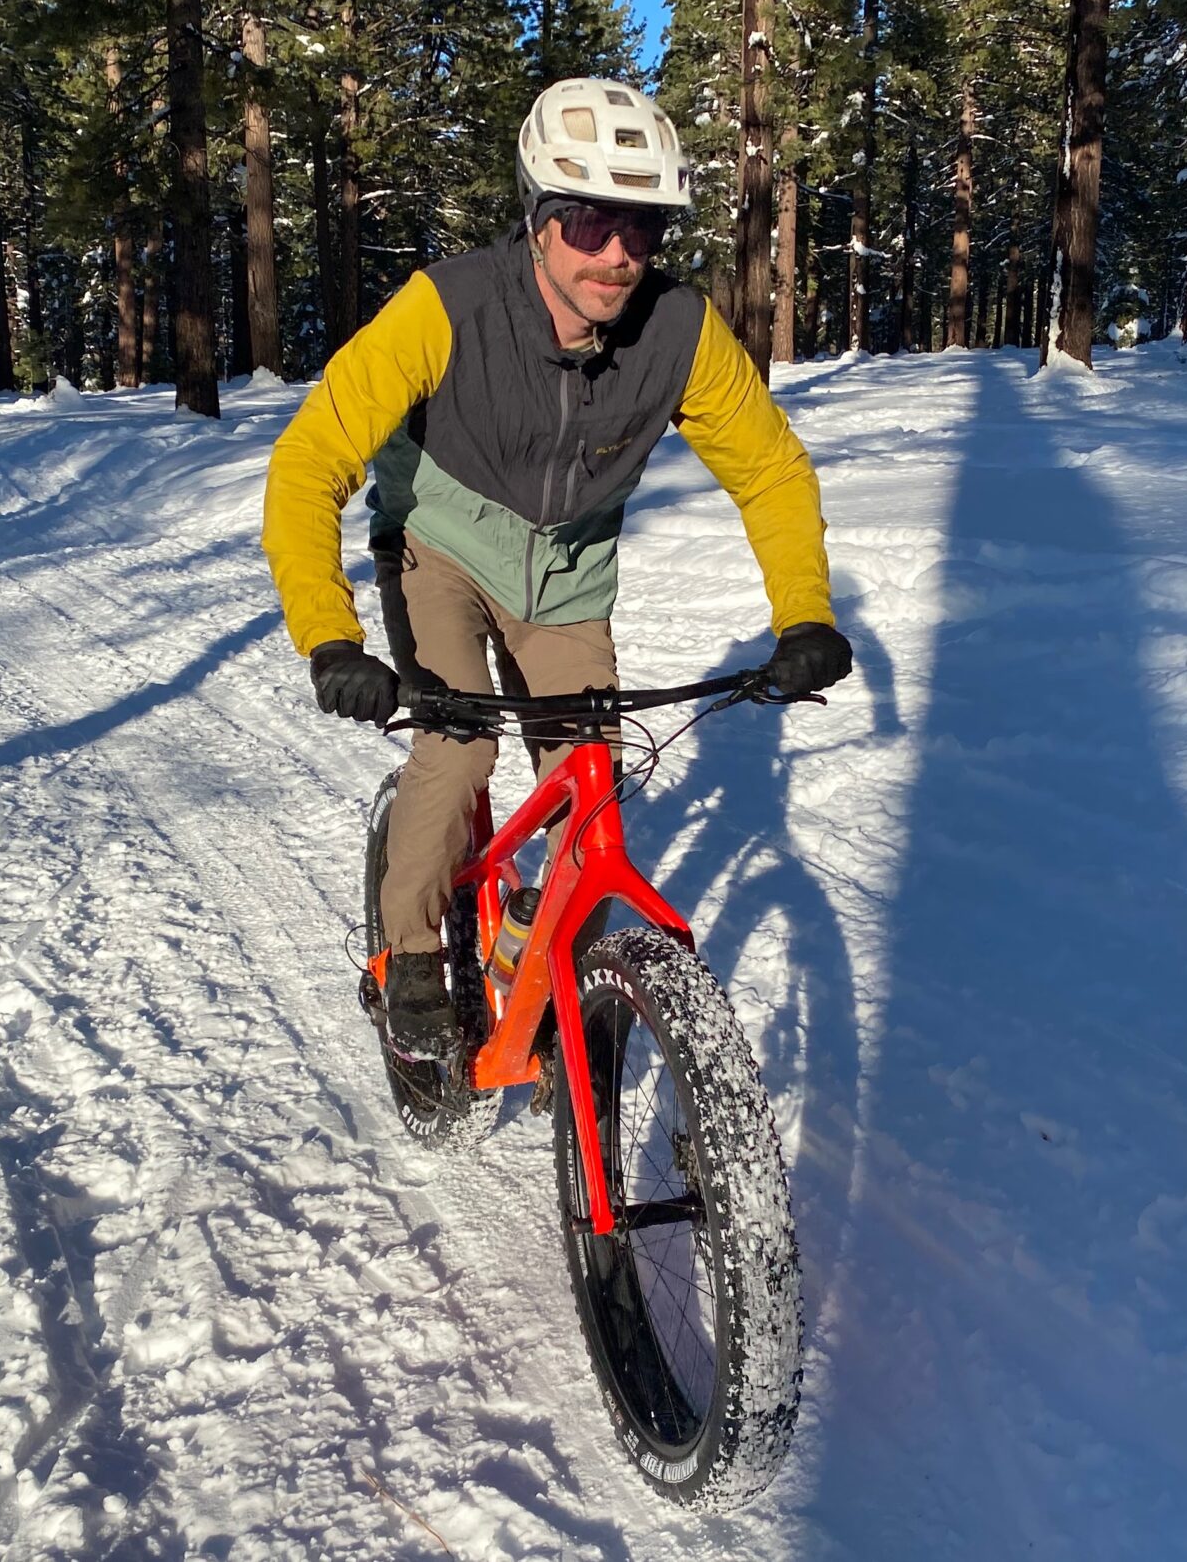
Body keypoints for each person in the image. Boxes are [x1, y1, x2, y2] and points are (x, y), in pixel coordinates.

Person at [261, 76, 854, 1059]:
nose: (617, 255)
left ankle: (544, 953)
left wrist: (804, 615)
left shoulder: (679, 332)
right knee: (458, 750)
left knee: (588, 788)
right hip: (438, 545)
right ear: (537, 220)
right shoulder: (444, 308)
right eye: (587, 222)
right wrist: (330, 638)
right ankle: (407, 952)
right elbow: (309, 461)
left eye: (642, 228)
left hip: (566, 575)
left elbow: (770, 470)